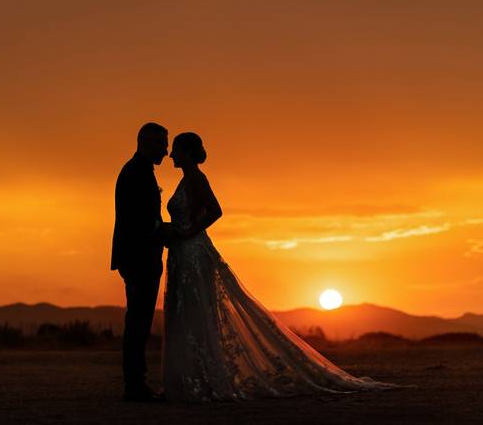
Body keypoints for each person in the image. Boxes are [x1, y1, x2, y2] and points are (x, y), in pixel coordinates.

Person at [162, 132, 399, 402]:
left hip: (194, 253)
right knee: (187, 313)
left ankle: (204, 380)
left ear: (188, 153)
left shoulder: (196, 179)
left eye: (176, 150)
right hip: (182, 253)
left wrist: (188, 232)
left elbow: (215, 210)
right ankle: (191, 378)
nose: (171, 155)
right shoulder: (185, 180)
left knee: (198, 311)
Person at [111, 122, 173, 402]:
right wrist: (169, 232)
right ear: (147, 143)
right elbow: (140, 220)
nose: (166, 150)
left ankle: (135, 382)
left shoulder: (139, 170)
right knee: (138, 320)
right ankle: (134, 385)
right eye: (162, 144)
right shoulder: (135, 172)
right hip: (139, 257)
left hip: (139, 255)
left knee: (139, 320)